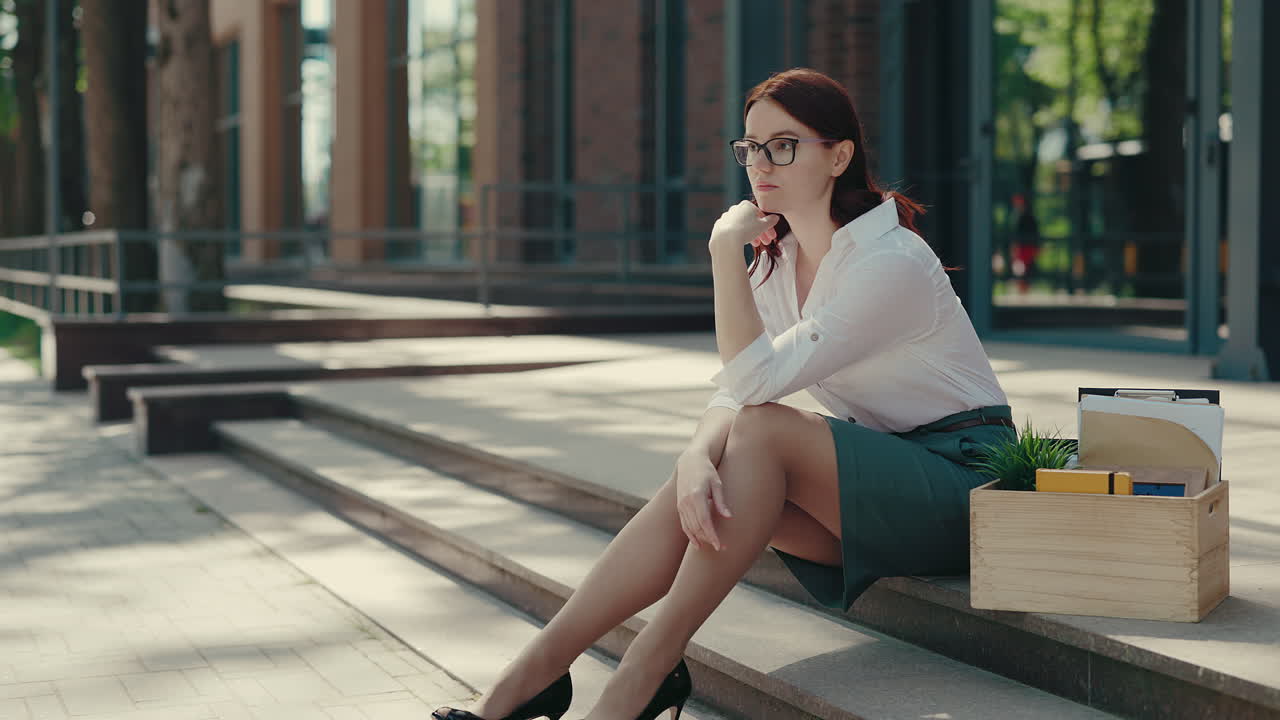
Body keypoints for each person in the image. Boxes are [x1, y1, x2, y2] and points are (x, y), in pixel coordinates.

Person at [432, 67, 1013, 720]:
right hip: (874, 486)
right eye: (750, 147)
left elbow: (755, 384)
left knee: (762, 429)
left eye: (783, 145)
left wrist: (719, 250)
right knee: (717, 467)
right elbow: (734, 394)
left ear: (839, 156)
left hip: (963, 485)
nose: (760, 163)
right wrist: (693, 459)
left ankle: (643, 672)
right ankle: (539, 670)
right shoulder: (778, 259)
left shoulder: (890, 263)